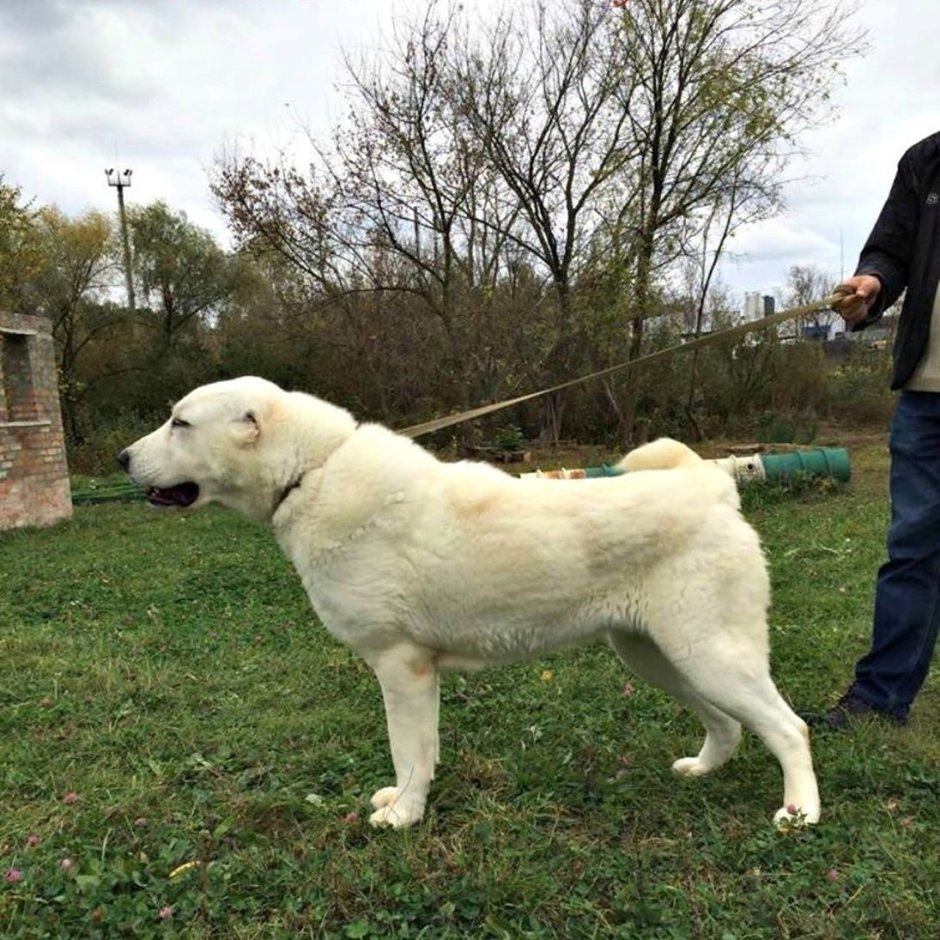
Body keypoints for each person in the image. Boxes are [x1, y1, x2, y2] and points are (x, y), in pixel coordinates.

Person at [811, 129, 940, 729]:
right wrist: (872, 283)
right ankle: (882, 700)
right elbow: (891, 249)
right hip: (928, 391)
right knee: (911, 550)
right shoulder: (927, 161)